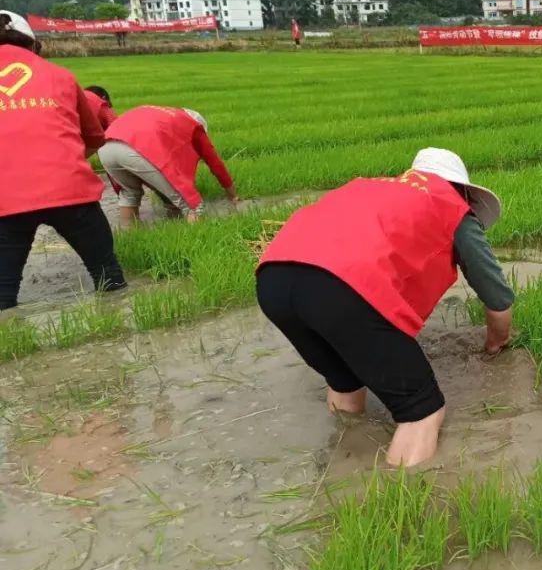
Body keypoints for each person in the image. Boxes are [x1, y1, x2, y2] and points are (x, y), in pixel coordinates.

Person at [256, 148, 514, 467]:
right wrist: (496, 343)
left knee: (346, 381)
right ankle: (400, 505)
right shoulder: (451, 206)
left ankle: (346, 462)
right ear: (462, 190)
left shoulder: (372, 187)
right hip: (341, 287)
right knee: (421, 409)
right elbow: (497, 296)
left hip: (273, 279)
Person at [0, 11, 126, 310]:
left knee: (3, 295)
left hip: (6, 200)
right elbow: (95, 136)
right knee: (110, 279)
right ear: (32, 44)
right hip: (71, 191)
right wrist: (60, 161)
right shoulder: (60, 75)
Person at [98, 105, 238, 227]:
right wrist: (232, 194)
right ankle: (196, 244)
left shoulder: (166, 115)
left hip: (105, 147)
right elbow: (215, 163)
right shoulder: (194, 126)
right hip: (137, 148)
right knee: (193, 206)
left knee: (129, 193)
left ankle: (131, 235)